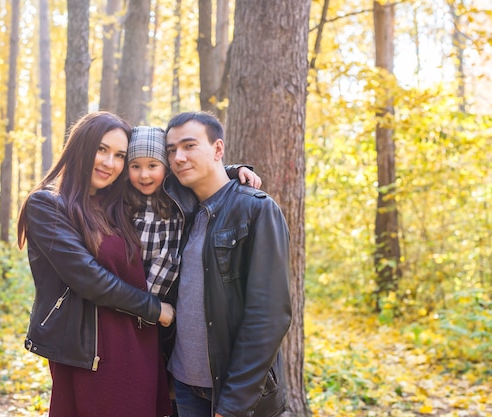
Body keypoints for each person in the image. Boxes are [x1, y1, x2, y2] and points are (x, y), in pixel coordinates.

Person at [17, 111, 174, 417]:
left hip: (140, 342)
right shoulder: (47, 205)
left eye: (119, 155)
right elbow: (89, 278)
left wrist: (232, 172)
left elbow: (172, 177)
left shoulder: (118, 204)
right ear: (81, 146)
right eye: (101, 149)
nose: (109, 163)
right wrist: (155, 309)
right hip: (91, 351)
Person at [123, 126, 262, 417]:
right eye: (135, 166)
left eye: (153, 165)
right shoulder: (121, 203)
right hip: (135, 317)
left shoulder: (181, 199)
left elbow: (205, 174)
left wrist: (235, 170)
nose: (144, 175)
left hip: (164, 322)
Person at [163, 112, 292, 417]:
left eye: (189, 146)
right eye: (171, 150)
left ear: (218, 149)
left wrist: (233, 405)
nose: (178, 157)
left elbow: (268, 316)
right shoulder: (180, 209)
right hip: (183, 384)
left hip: (235, 396)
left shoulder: (256, 209)